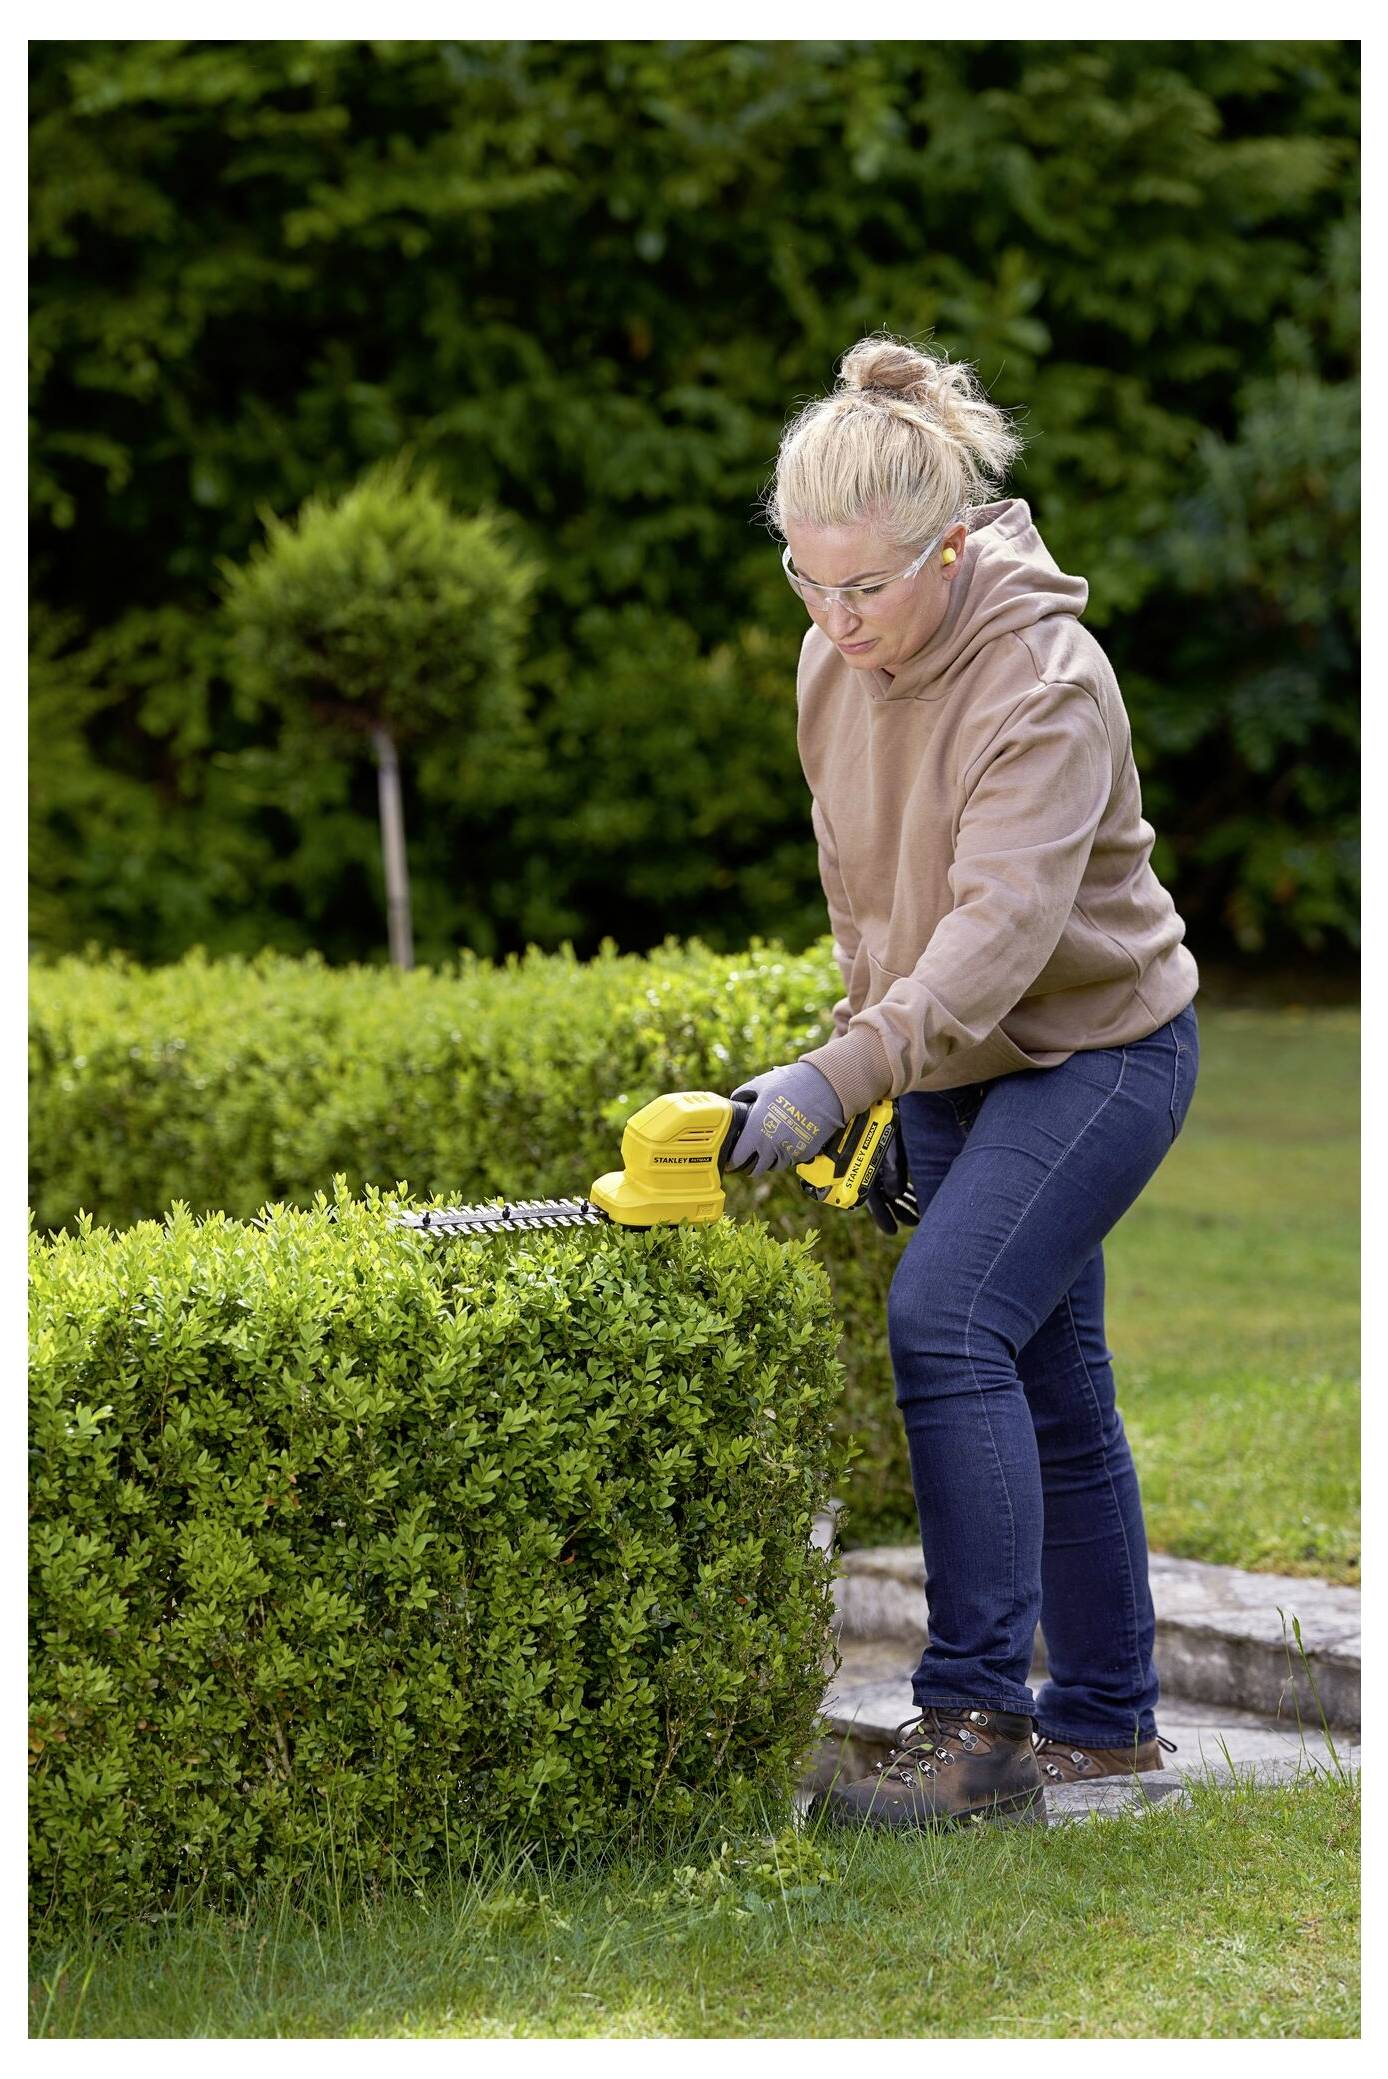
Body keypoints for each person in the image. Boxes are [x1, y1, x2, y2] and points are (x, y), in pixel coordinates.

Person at [727, 334, 1200, 1829]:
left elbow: (996, 944)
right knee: (1049, 1370)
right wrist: (860, 1067)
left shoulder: (1046, 684)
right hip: (957, 1061)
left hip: (1099, 1052)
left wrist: (840, 1068)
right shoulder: (829, 661)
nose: (836, 617)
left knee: (945, 1318)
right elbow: (871, 896)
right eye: (809, 580)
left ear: (947, 546)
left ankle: (976, 1734)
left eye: (865, 584)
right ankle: (1109, 1724)